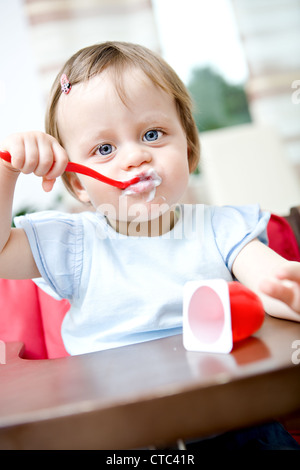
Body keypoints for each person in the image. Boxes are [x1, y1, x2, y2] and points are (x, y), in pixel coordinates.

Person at [0, 42, 299, 449]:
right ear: (77, 184)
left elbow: (271, 281)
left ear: (189, 149)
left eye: (152, 134)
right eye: (104, 149)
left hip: (234, 424)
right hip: (123, 435)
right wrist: (6, 173)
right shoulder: (72, 244)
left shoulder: (221, 228)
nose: (136, 157)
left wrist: (288, 293)